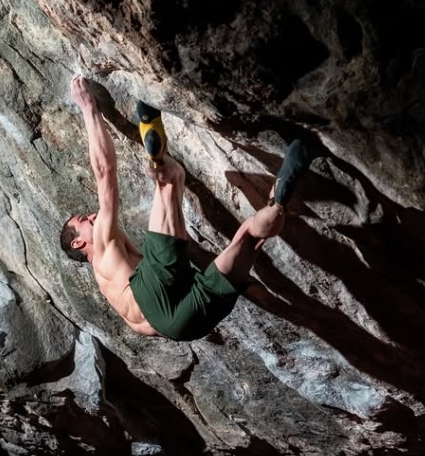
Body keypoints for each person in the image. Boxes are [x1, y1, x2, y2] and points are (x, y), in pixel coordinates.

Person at [59, 74, 311, 341]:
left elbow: (153, 316)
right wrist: (89, 109)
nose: (94, 216)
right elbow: (104, 172)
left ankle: (277, 205)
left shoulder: (111, 289)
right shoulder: (102, 246)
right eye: (84, 220)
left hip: (178, 328)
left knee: (250, 238)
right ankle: (154, 147)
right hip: (150, 293)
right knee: (171, 180)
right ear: (77, 244)